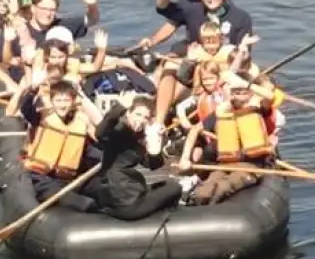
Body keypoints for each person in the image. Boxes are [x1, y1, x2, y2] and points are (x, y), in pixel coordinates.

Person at [178, 72, 281, 204]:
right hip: (226, 164)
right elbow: (195, 130)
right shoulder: (224, 110)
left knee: (223, 188)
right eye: (235, 92)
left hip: (252, 165)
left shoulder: (259, 108)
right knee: (202, 193)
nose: (238, 95)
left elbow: (270, 96)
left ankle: (212, 212)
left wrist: (243, 83)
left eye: (242, 92)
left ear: (250, 94)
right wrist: (184, 158)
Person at [7, 75, 103, 210]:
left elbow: (88, 150)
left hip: (67, 179)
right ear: (51, 101)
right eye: (58, 100)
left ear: (73, 102)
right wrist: (33, 90)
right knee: (85, 204)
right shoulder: (41, 117)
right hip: (41, 178)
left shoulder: (80, 121)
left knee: (102, 191)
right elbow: (26, 108)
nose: (62, 105)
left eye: (66, 101)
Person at [85, 94, 185, 221]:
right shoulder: (118, 130)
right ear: (128, 114)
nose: (141, 120)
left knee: (164, 184)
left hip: (129, 192)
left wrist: (155, 143)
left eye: (146, 117)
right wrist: (120, 107)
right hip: (124, 200)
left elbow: (153, 165)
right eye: (138, 114)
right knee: (174, 188)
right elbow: (101, 132)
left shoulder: (137, 137)